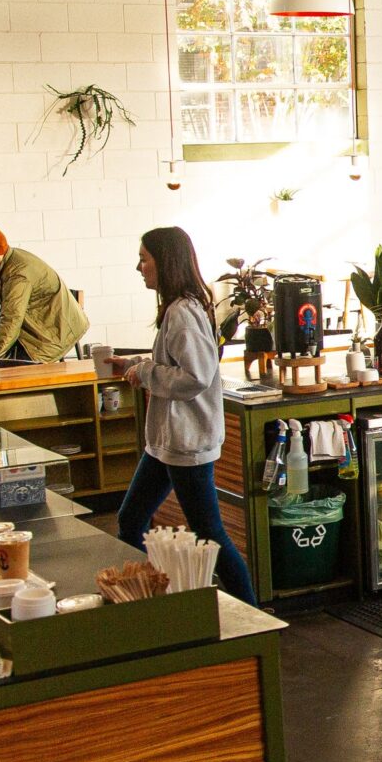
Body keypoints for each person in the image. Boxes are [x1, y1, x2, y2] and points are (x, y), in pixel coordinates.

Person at [113, 227, 258, 604]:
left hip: (186, 443)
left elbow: (195, 376)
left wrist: (145, 373)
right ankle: (152, 599)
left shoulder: (182, 313)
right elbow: (176, 366)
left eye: (144, 258)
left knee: (210, 535)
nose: (139, 266)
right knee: (131, 522)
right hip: (166, 443)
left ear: (166, 261)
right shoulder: (180, 309)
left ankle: (255, 615)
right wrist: (135, 364)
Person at [0, 224, 86, 367]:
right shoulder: (5, 262)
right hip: (35, 320)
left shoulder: (17, 275)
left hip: (54, 331)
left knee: (13, 368)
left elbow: (12, 319)